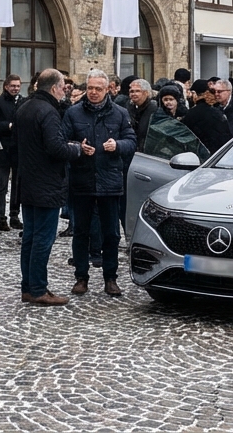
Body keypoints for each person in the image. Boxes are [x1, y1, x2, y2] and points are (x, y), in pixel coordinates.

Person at [62, 70, 134, 297]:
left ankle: (110, 277)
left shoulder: (120, 113)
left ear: (108, 90)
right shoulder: (73, 113)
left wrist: (118, 145)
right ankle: (81, 277)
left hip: (110, 179)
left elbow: (132, 141)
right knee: (81, 231)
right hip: (82, 179)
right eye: (90, 88)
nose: (93, 92)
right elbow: (62, 140)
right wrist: (78, 147)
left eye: (98, 89)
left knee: (111, 233)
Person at [14, 69, 83, 307]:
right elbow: (56, 148)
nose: (65, 89)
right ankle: (38, 289)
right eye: (63, 85)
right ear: (54, 88)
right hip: (46, 184)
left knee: (31, 239)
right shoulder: (48, 111)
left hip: (29, 182)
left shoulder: (25, 107)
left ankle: (29, 286)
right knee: (42, 239)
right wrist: (76, 149)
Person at [0, 74, 23, 231]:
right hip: (3, 148)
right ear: (6, 86)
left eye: (18, 86)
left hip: (18, 149)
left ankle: (14, 215)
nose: (15, 88)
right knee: (1, 185)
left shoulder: (23, 101)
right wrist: (9, 125)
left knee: (17, 184)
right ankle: (1, 217)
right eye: (13, 86)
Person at [180, 79, 233, 152]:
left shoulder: (191, 114)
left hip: (197, 156)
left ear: (194, 94)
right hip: (218, 155)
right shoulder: (218, 113)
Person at [126, 79, 157, 152]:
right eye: (131, 91)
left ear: (146, 93)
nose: (134, 94)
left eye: (137, 91)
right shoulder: (129, 106)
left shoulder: (154, 109)